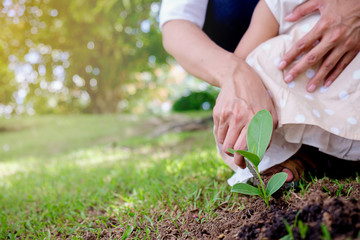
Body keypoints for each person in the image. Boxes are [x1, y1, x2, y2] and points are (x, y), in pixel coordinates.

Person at [160, 0, 360, 184]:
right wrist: (238, 77)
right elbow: (177, 23)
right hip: (293, 71)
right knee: (263, 65)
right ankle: (302, 153)